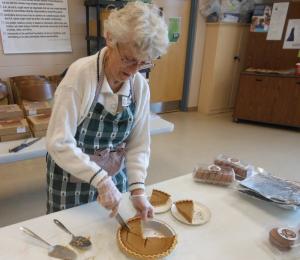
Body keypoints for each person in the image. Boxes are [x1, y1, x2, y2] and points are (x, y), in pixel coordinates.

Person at [46, 1, 169, 220]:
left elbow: (139, 143)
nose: (133, 72)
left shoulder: (139, 86)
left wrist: (138, 189)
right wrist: (101, 180)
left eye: (143, 64)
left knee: (109, 236)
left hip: (114, 176)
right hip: (71, 176)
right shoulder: (80, 77)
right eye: (129, 60)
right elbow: (59, 143)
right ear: (110, 39)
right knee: (70, 236)